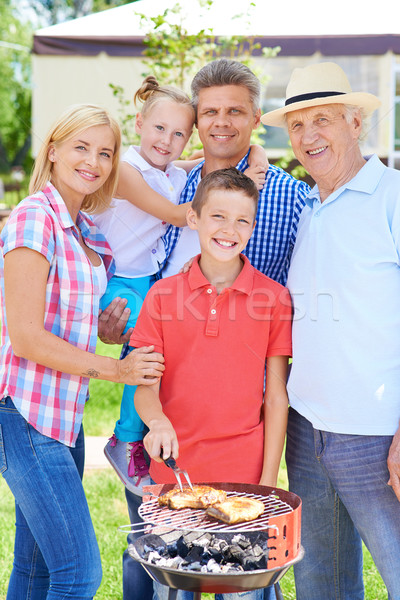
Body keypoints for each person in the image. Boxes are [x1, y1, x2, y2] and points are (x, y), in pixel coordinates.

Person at [0, 103, 165, 600]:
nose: (93, 161)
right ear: (52, 151)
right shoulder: (35, 218)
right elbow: (26, 336)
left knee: (37, 572)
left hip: (62, 417)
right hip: (26, 414)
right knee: (79, 575)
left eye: (105, 153)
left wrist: (104, 328)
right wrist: (117, 369)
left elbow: (60, 317)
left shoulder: (87, 230)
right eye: (80, 147)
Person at [261, 61, 400, 599]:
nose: (308, 135)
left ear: (355, 123)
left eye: (323, 119)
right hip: (306, 428)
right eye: (297, 125)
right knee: (320, 585)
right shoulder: (307, 211)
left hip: (376, 436)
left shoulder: (391, 196)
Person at [92, 76, 268, 497]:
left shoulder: (169, 169)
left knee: (152, 349)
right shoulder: (126, 171)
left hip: (147, 280)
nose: (167, 140)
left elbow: (196, 163)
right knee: (151, 348)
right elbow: (177, 214)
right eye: (159, 129)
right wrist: (240, 199)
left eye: (177, 134)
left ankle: (131, 434)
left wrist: (256, 150)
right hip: (119, 281)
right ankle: (124, 438)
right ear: (137, 123)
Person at [133, 167, 293, 600]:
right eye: (218, 216)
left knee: (244, 591)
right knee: (177, 590)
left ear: (254, 228)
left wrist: (267, 481)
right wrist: (157, 422)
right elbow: (144, 384)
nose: (229, 229)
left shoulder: (274, 298)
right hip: (175, 480)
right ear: (195, 219)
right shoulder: (162, 296)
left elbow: (276, 398)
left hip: (244, 482)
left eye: (242, 220)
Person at [161, 58, 310, 283]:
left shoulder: (292, 197)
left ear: (256, 118)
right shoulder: (173, 186)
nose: (222, 122)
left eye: (234, 111)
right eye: (210, 112)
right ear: (196, 121)